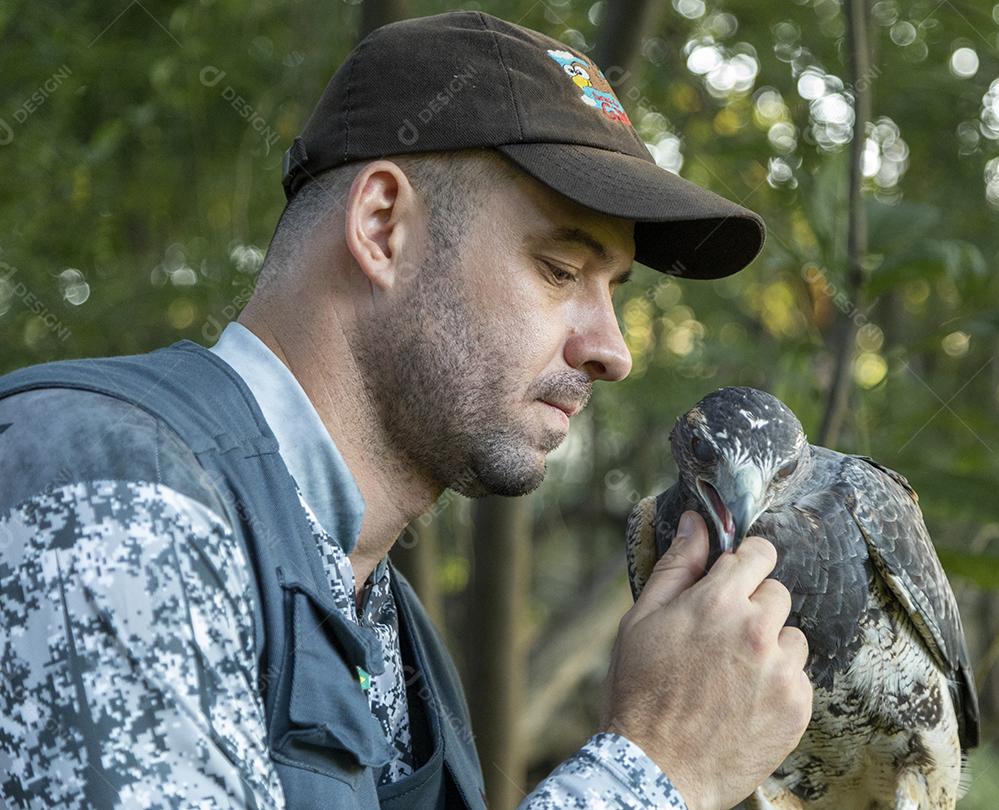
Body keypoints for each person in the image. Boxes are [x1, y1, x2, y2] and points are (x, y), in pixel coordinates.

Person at [0, 10, 811, 810]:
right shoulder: (110, 496)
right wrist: (656, 770)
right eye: (562, 270)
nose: (613, 349)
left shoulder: (397, 634)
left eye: (613, 290)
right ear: (382, 226)